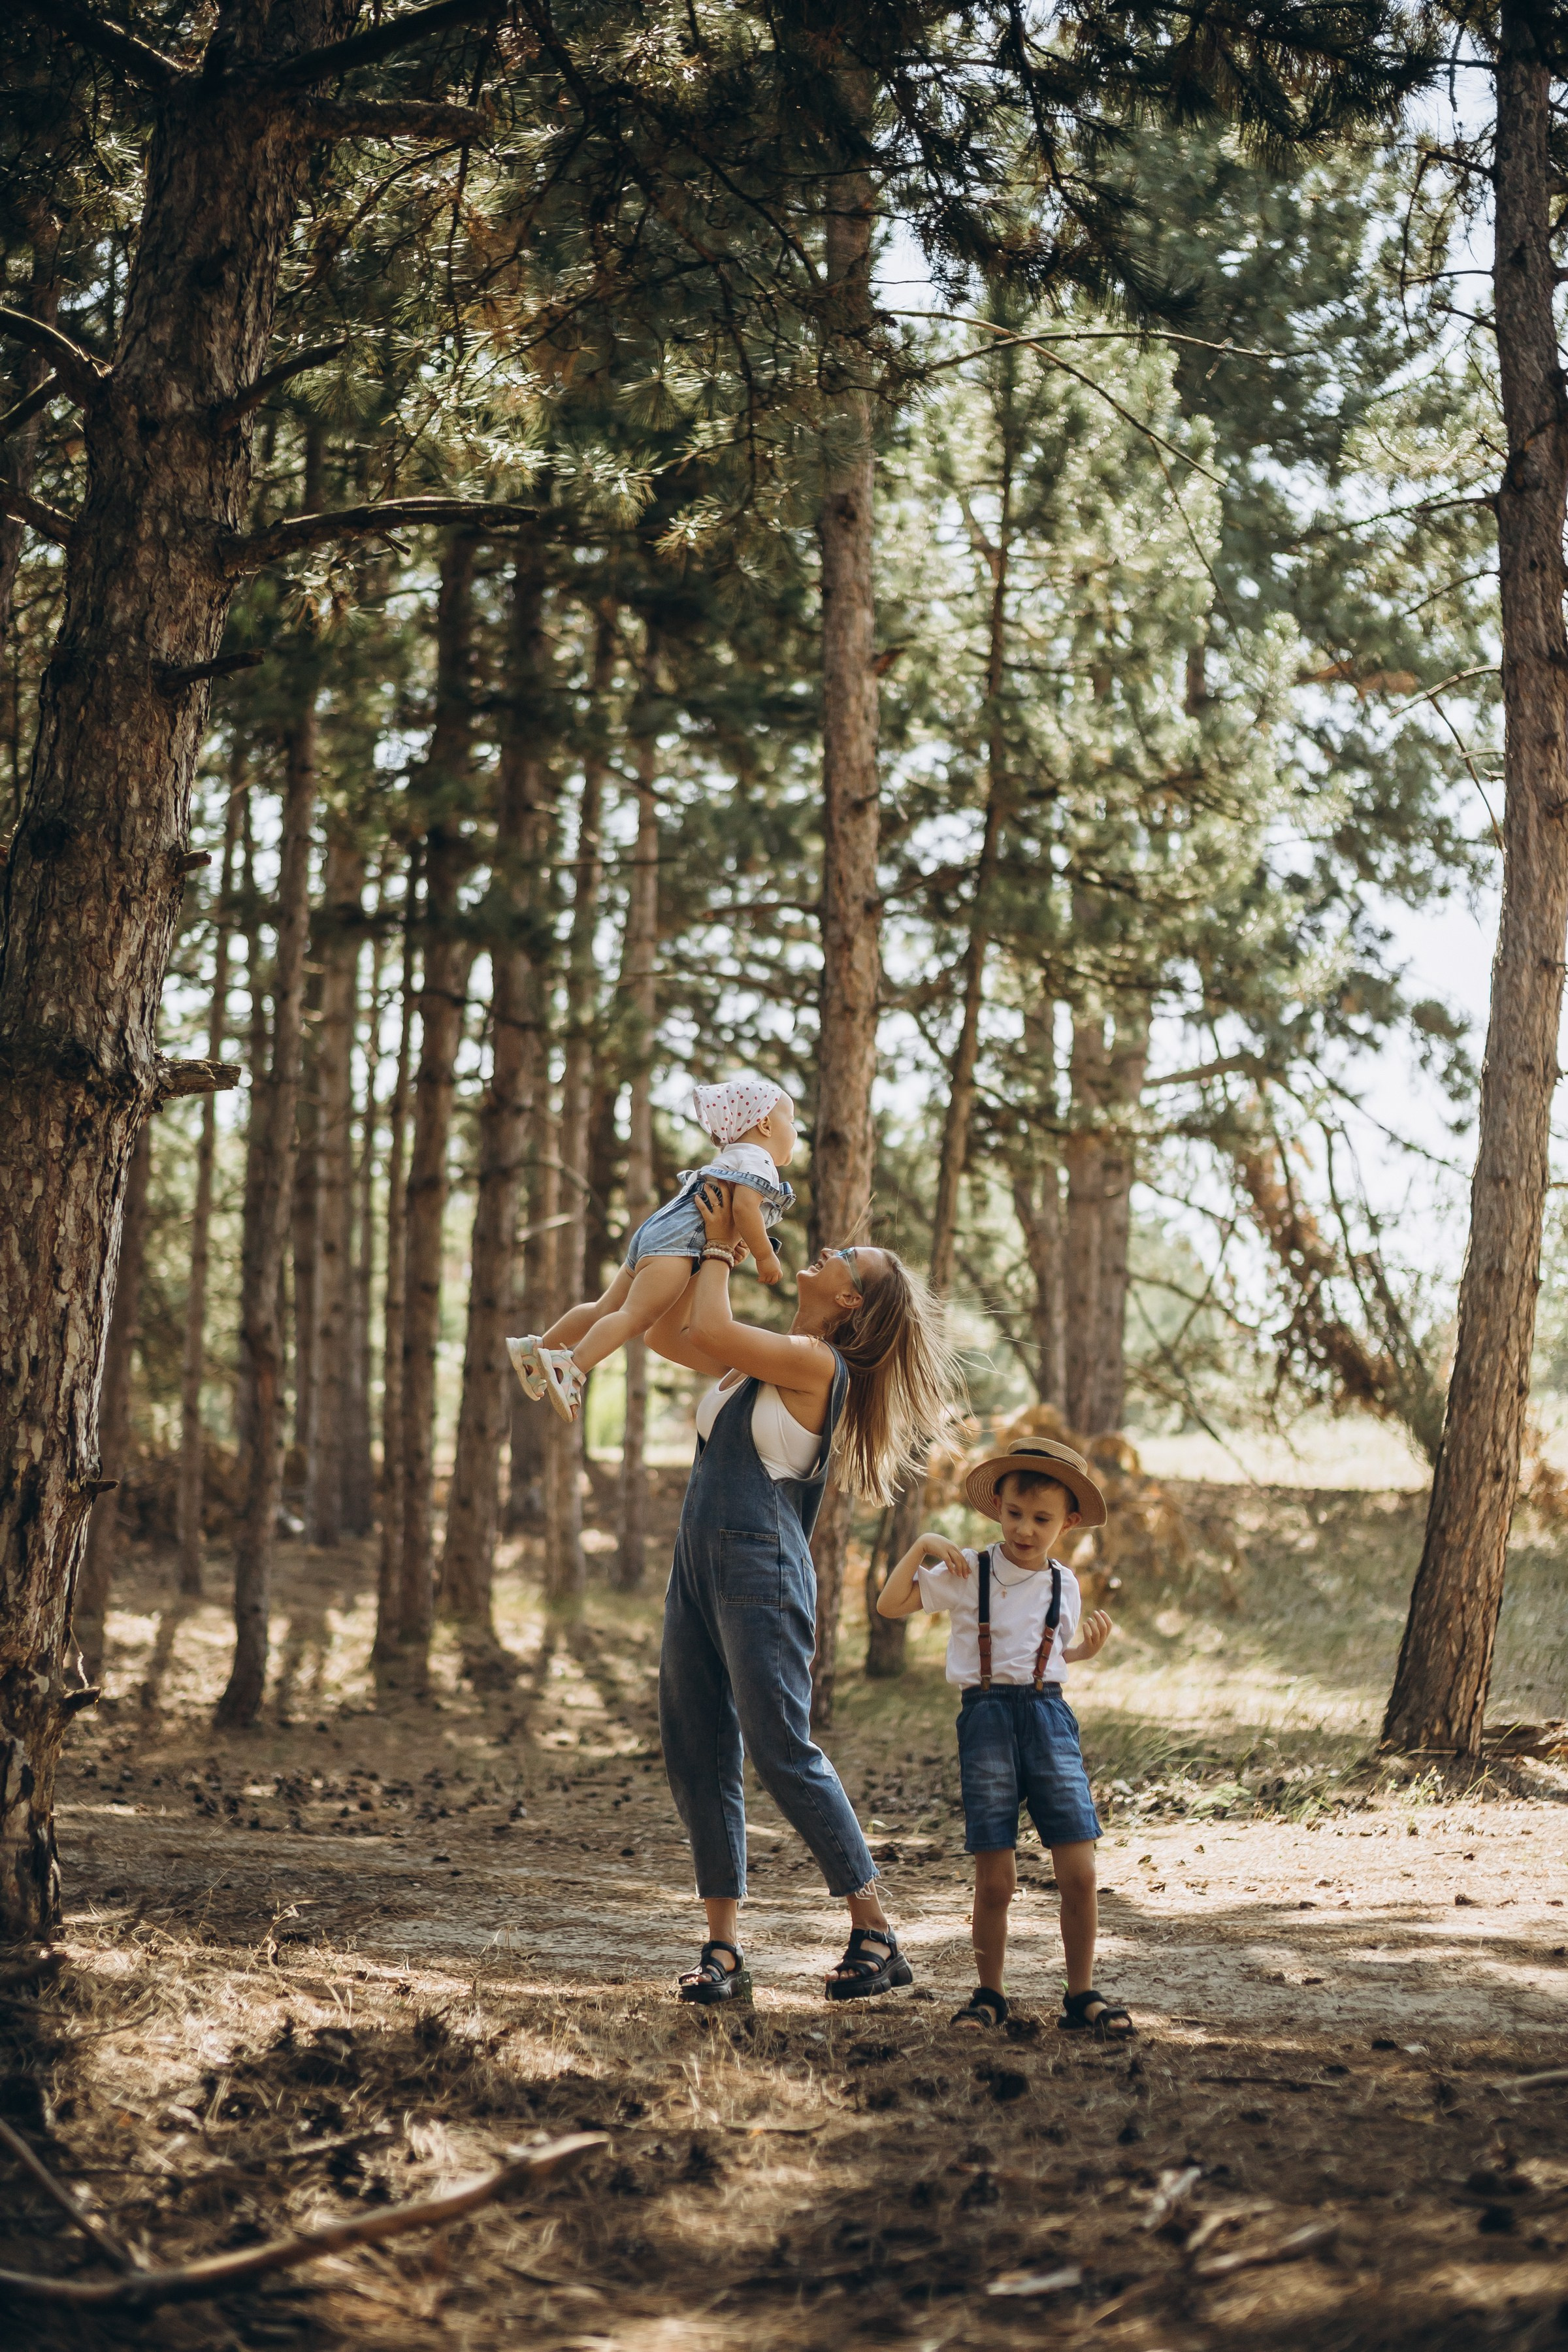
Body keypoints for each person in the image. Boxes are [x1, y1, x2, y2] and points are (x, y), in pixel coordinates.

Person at [651, 1177, 962, 2006]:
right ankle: (722, 1953)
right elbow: (668, 1331)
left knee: (781, 1747)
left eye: (839, 1258)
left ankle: (877, 1932)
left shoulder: (815, 1364)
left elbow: (711, 1324)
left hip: (762, 1572)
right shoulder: (758, 1355)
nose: (821, 1252)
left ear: (849, 1299)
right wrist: (679, 1235)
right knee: (697, 1750)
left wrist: (728, 1246)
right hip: (697, 1570)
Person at [876, 1435, 1132, 2037]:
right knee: (996, 1878)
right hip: (986, 1718)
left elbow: (1040, 1650)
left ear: (1067, 1522)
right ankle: (990, 1994)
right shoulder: (970, 1571)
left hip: (1049, 1718)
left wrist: (1079, 1654)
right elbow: (890, 1605)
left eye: (1041, 1519)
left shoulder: (1065, 1585)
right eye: (1014, 1514)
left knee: (1080, 1872)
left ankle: (1081, 1993)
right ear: (997, 1508)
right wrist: (921, 1547)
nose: (1024, 1529)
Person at [508, 1078, 797, 1423]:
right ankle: (570, 1367)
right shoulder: (758, 1159)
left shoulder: (730, 1156)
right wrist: (765, 1255)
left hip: (655, 1235)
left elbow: (730, 1214)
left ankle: (537, 1349)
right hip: (677, 1248)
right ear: (765, 1124)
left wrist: (736, 1243)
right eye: (791, 1122)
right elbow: (746, 1208)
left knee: (605, 1307)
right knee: (635, 1316)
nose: (794, 1131)